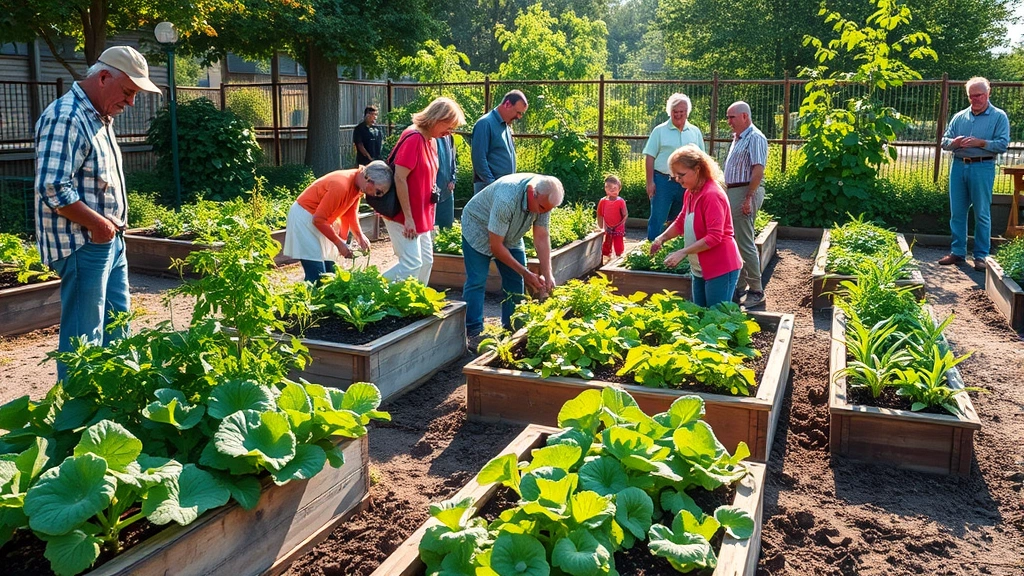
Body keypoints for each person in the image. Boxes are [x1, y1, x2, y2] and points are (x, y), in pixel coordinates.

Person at [34, 46, 161, 383]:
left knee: (118, 324)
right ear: (104, 77)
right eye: (128, 92)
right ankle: (77, 413)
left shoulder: (99, 116)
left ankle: (117, 400)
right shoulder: (68, 116)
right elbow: (52, 187)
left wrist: (109, 229)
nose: (131, 102)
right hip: (83, 243)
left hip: (107, 240)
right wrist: (99, 224)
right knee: (83, 336)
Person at [461, 173, 564, 337]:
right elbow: (496, 246)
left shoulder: (544, 198)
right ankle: (473, 330)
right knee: (477, 280)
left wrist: (547, 273)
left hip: (510, 232)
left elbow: (542, 236)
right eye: (543, 208)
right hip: (478, 227)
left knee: (516, 281)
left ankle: (512, 328)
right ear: (532, 193)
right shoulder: (506, 198)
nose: (543, 212)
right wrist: (525, 271)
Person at [383, 97, 466, 283]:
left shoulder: (431, 140)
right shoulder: (414, 138)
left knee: (427, 261)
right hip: (404, 216)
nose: (449, 133)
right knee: (411, 264)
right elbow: (399, 177)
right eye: (449, 126)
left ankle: (417, 304)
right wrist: (409, 219)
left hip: (422, 216)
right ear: (438, 118)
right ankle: (372, 287)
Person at [650, 144, 743, 308]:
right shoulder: (691, 192)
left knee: (717, 317)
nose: (678, 180)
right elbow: (681, 220)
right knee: (699, 315)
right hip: (699, 266)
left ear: (698, 169)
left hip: (720, 266)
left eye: (681, 175)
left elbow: (715, 237)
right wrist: (662, 238)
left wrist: (682, 252)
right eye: (675, 176)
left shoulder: (712, 195)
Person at [939, 77, 1010, 271]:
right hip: (959, 165)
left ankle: (981, 256)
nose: (974, 99)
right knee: (957, 213)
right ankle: (957, 252)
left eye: (978, 95)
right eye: (971, 96)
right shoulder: (960, 116)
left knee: (982, 213)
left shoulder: (998, 116)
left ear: (987, 94)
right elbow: (944, 141)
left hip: (982, 166)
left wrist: (982, 143)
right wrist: (955, 143)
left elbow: (1003, 144)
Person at [283, 162, 391, 283]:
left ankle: (324, 299)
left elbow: (349, 212)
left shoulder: (358, 186)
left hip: (321, 221)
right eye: (378, 192)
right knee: (317, 276)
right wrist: (339, 243)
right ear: (369, 179)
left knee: (331, 271)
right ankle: (309, 299)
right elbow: (318, 219)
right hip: (305, 217)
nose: (376, 196)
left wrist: (359, 236)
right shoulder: (341, 186)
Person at [723, 101, 768, 308]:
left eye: (732, 117)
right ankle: (739, 286)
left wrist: (748, 197)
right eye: (727, 117)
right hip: (734, 191)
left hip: (744, 191)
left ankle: (756, 290)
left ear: (744, 117)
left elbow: (758, 170)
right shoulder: (738, 138)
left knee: (744, 240)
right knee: (734, 239)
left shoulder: (755, 137)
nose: (728, 121)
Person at [643, 93, 705, 241]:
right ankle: (652, 250)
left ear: (687, 112)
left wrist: (701, 182)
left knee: (681, 219)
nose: (678, 114)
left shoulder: (695, 132)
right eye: (674, 111)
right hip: (663, 181)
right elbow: (649, 157)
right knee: (658, 217)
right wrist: (650, 182)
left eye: (681, 111)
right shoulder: (659, 130)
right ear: (669, 112)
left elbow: (702, 158)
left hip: (687, 184)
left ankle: (676, 251)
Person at [471, 90, 528, 194]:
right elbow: (479, 159)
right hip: (489, 190)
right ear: (507, 104)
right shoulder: (485, 123)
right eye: (518, 112)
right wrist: (493, 185)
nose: (519, 117)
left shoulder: (505, 125)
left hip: (502, 188)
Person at [596, 174, 628, 260]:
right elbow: (599, 214)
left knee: (618, 242)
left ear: (619, 189)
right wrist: (601, 227)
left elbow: (625, 214)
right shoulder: (603, 201)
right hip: (607, 226)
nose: (612, 190)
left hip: (618, 227)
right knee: (607, 243)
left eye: (614, 188)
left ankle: (619, 256)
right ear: (605, 188)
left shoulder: (620, 201)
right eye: (608, 187)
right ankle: (606, 257)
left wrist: (619, 225)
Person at [435, 132, 458, 229]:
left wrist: (453, 179)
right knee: (432, 229)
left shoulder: (450, 137)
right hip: (433, 192)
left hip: (447, 191)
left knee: (448, 227)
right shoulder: (432, 137)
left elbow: (453, 161)